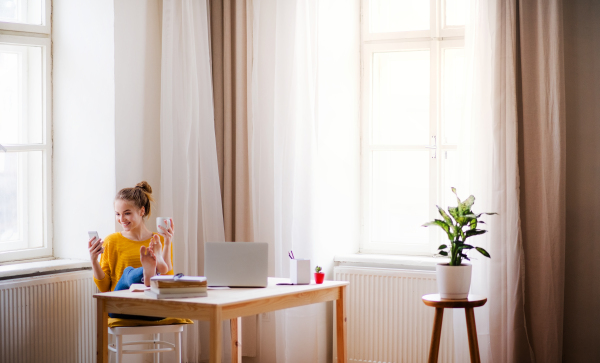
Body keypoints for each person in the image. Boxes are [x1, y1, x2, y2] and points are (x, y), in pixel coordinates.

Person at [89, 181, 174, 320]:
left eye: (127, 213)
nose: (121, 219)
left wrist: (168, 242)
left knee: (150, 272)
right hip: (122, 306)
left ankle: (147, 274)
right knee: (128, 273)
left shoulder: (159, 240)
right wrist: (94, 261)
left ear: (142, 211)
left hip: (153, 308)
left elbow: (167, 279)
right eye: (117, 214)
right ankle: (144, 273)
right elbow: (104, 288)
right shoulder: (112, 241)